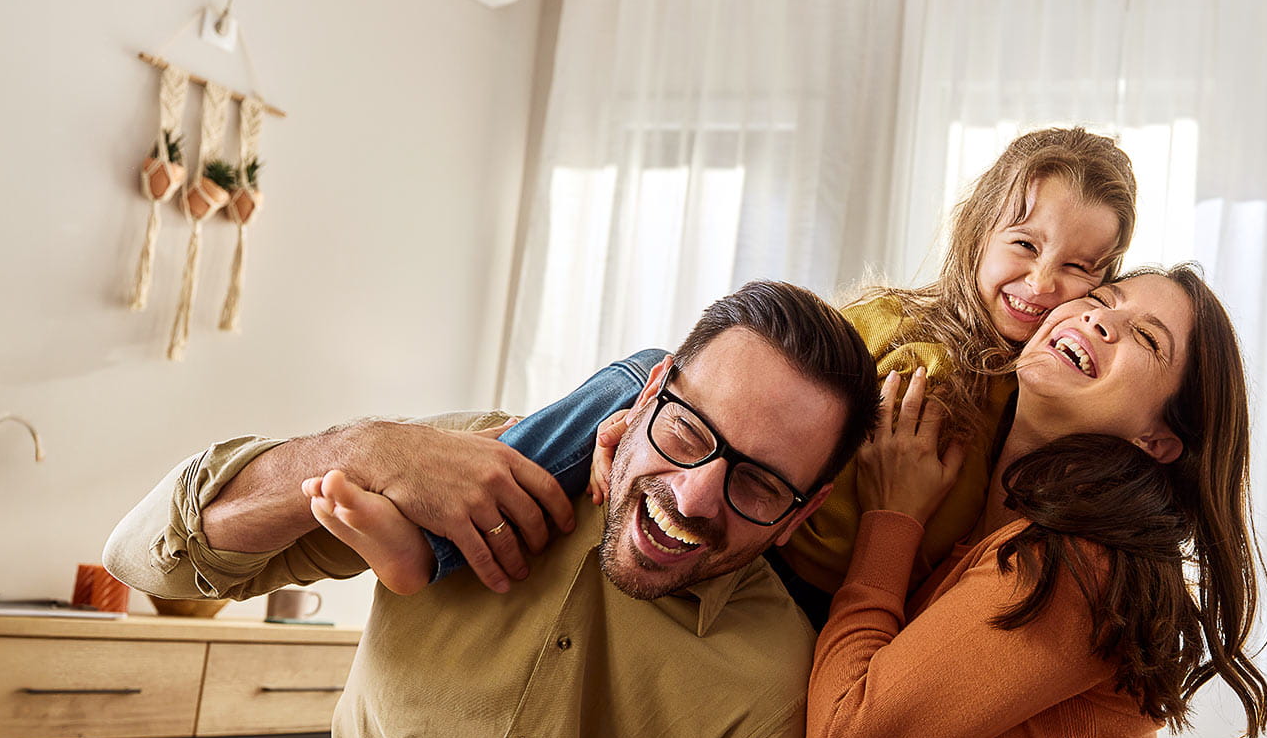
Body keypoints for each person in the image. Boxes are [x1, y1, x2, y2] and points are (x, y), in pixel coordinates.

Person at [104, 281, 881, 738]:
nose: (696, 494)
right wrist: (367, 451)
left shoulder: (780, 681)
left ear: (798, 516)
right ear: (647, 394)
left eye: (760, 485)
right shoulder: (467, 471)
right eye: (687, 430)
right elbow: (144, 556)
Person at [379, 127, 1141, 620]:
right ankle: (439, 540)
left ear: (1104, 283)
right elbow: (751, 385)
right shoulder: (893, 323)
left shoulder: (1031, 394)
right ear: (979, 233)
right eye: (1024, 244)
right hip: (765, 528)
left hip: (829, 595)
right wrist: (649, 424)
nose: (1042, 283)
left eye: (1077, 267)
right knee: (653, 370)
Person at [781, 266, 1267, 738]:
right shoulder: (977, 541)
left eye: (1148, 337)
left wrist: (890, 519)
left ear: (1156, 439)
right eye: (1104, 298)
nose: (1100, 318)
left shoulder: (1081, 563)